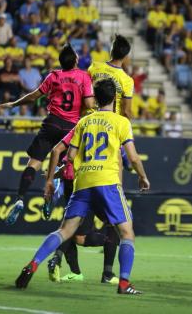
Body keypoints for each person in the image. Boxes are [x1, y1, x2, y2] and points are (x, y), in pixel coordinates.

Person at [15, 79, 150, 295]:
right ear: (114, 98)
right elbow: (132, 157)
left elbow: (69, 155)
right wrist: (143, 176)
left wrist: (55, 176)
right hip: (107, 182)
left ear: (95, 99)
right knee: (127, 233)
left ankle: (33, 264)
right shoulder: (121, 122)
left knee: (65, 230)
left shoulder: (83, 122)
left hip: (82, 182)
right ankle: (123, 282)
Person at [0, 44, 95, 225]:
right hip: (70, 128)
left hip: (51, 123)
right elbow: (89, 104)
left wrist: (13, 104)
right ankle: (53, 200)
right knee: (63, 169)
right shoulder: (84, 77)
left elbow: (35, 96)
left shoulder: (54, 76)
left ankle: (20, 198)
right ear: (75, 60)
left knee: (33, 163)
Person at [43, 129, 120, 285]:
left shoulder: (85, 132)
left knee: (75, 231)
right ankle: (77, 271)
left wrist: (52, 177)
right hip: (82, 185)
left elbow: (66, 157)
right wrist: (53, 176)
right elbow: (66, 161)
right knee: (74, 231)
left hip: (88, 185)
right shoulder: (84, 132)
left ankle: (106, 270)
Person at [88, 35, 134, 118]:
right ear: (126, 56)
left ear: (111, 51)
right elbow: (126, 112)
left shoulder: (94, 67)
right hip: (111, 123)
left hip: (91, 119)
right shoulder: (127, 80)